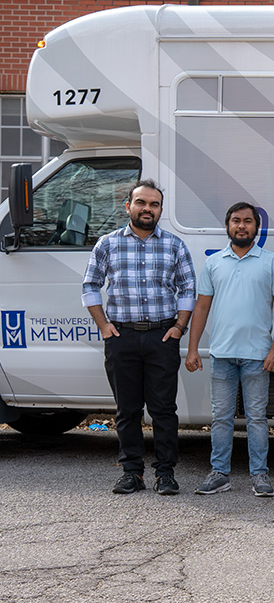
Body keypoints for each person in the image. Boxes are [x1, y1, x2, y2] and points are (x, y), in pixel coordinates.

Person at [82, 179, 196, 495]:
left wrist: (179, 328)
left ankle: (165, 474)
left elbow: (188, 288)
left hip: (162, 337)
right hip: (122, 338)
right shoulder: (107, 244)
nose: (148, 209)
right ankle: (132, 472)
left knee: (163, 409)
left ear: (160, 209)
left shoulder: (174, 245)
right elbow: (90, 285)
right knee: (127, 410)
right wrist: (104, 326)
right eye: (141, 203)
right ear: (128, 206)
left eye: (154, 204)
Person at [184, 202, 274, 497]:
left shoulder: (271, 262)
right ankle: (219, 473)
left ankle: (260, 475)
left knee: (256, 417)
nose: (241, 226)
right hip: (221, 355)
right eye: (235, 220)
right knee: (221, 417)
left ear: (257, 227)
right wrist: (193, 349)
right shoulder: (214, 262)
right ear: (227, 226)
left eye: (247, 221)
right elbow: (201, 307)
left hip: (258, 355)